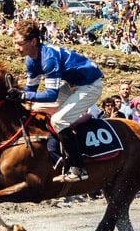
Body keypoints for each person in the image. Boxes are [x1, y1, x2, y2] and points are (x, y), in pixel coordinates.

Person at [10, 20, 103, 182]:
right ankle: (55, 153)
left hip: (90, 85)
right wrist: (17, 93)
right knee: (35, 107)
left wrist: (24, 96)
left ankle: (79, 168)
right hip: (73, 84)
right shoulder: (30, 59)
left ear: (33, 41)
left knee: (58, 120)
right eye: (14, 43)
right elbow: (30, 92)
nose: (16, 47)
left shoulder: (48, 58)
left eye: (19, 43)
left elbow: (51, 95)